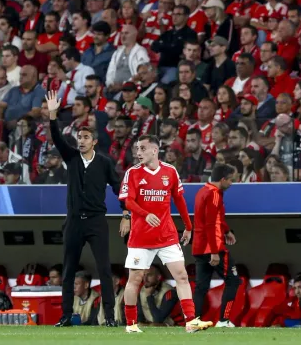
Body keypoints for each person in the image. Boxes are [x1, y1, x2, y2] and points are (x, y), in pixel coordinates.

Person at [119, 134, 212, 333]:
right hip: (141, 237)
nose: (138, 153)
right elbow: (128, 202)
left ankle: (191, 322)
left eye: (142, 148)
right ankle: (131, 324)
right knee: (135, 279)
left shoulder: (170, 171)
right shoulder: (133, 173)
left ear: (155, 150)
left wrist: (188, 226)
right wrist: (145, 214)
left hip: (166, 235)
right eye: (137, 149)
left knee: (182, 276)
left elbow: (179, 199)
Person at [45, 91, 121, 328]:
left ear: (94, 141)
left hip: (97, 221)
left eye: (86, 137)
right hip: (74, 222)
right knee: (68, 271)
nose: (82, 140)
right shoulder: (72, 158)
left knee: (104, 269)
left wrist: (128, 212)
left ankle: (109, 317)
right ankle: (66, 315)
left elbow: (119, 188)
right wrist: (52, 114)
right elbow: (57, 138)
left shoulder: (105, 162)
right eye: (79, 137)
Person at [192, 163, 240, 328]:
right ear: (222, 179)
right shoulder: (214, 194)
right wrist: (214, 252)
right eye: (230, 180)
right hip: (212, 247)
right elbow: (211, 224)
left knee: (201, 286)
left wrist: (227, 231)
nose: (232, 184)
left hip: (199, 247)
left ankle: (194, 320)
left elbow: (215, 219)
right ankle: (224, 320)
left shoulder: (202, 191)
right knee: (233, 280)